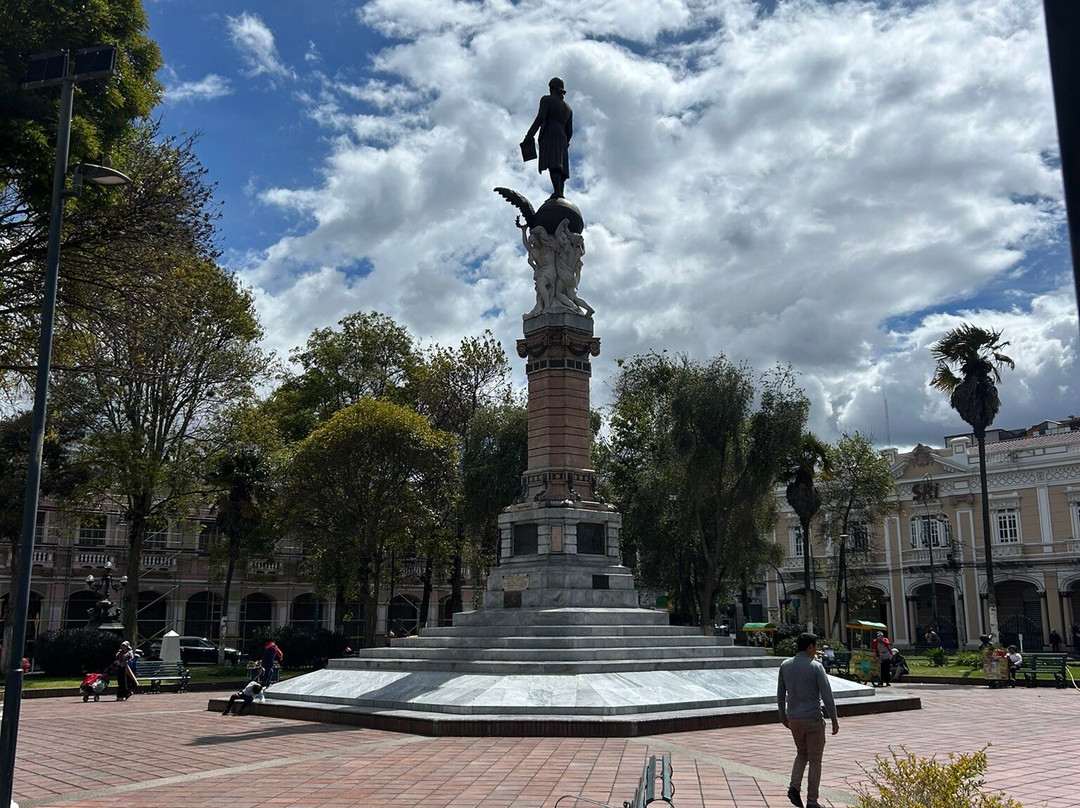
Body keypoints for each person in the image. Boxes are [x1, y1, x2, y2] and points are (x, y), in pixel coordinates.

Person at [777, 633, 839, 808]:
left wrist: (783, 716)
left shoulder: (785, 666)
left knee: (801, 753)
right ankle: (812, 801)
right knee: (815, 760)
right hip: (813, 719)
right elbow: (827, 695)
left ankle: (794, 787)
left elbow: (780, 695)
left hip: (794, 719)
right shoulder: (816, 667)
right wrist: (834, 719)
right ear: (810, 647)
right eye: (815, 647)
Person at [522, 77, 573, 199]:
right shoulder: (568, 109)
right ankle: (560, 191)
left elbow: (541, 117)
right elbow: (570, 131)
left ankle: (557, 192)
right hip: (563, 137)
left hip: (551, 132)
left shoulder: (547, 100)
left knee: (554, 163)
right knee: (561, 166)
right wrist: (566, 142)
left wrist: (530, 134)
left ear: (552, 88)